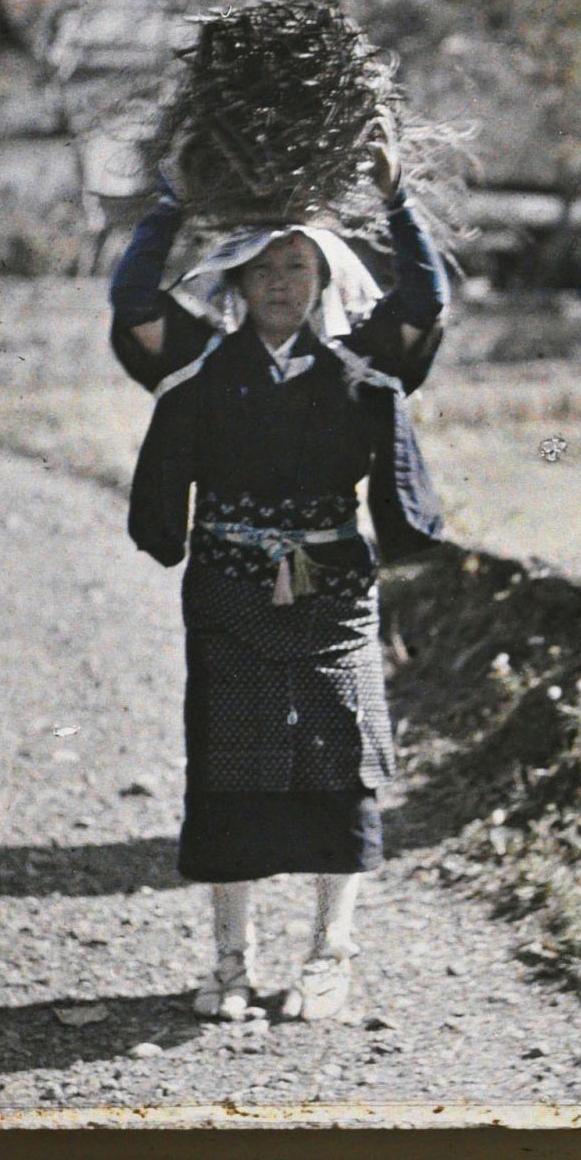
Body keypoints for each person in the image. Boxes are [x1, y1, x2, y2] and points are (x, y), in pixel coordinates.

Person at [107, 117, 448, 1023]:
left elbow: (426, 300)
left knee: (342, 768)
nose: (279, 283)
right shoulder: (203, 365)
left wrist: (394, 195)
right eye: (262, 268)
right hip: (228, 588)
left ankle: (331, 956)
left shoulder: (361, 365)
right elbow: (134, 298)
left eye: (298, 266)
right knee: (231, 768)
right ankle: (229, 962)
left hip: (334, 591)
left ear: (326, 278)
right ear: (236, 281)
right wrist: (173, 199)